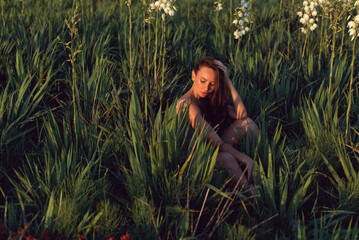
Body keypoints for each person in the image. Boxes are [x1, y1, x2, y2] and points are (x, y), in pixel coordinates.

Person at [176, 57, 260, 194]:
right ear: (193, 75)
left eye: (212, 84)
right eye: (202, 81)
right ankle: (253, 195)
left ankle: (262, 164)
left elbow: (241, 114)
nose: (206, 88)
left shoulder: (205, 98)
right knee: (227, 158)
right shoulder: (188, 106)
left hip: (209, 146)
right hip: (192, 157)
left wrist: (227, 79)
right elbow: (216, 143)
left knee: (248, 124)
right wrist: (246, 159)